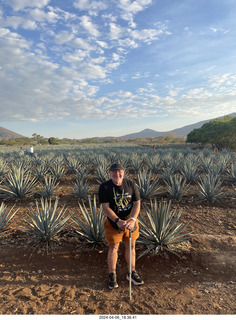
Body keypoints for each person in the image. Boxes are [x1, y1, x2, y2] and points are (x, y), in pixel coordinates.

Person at [98, 163, 144, 290]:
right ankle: (112, 274)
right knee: (114, 247)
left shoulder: (131, 185)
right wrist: (117, 220)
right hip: (114, 223)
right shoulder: (104, 187)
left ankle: (132, 272)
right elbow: (106, 208)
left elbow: (137, 203)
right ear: (110, 173)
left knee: (131, 246)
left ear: (124, 173)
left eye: (119, 172)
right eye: (114, 172)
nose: (117, 174)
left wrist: (133, 220)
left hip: (130, 221)